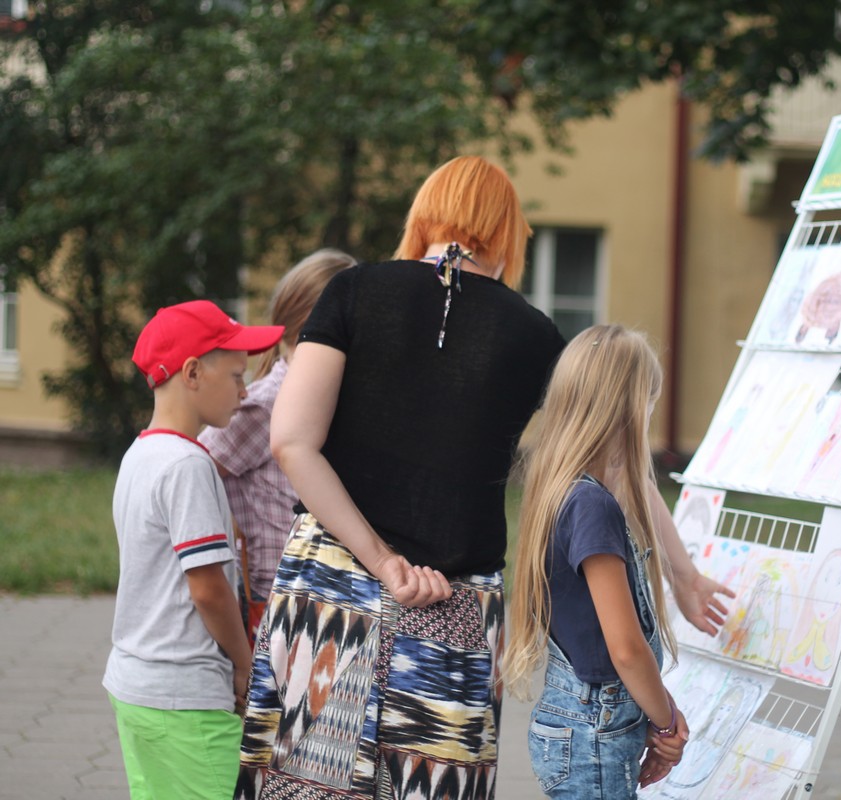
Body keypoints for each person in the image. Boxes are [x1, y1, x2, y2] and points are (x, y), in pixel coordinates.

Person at [236, 155, 732, 800]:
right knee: (435, 787)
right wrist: (682, 573)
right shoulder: (531, 334)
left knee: (303, 785)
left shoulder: (353, 293)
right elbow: (612, 458)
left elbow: (293, 442)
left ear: (424, 219)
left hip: (326, 590)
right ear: (506, 236)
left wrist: (382, 560)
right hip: (456, 605)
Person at [104, 300, 284, 800]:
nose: (245, 390)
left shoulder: (140, 453)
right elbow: (207, 589)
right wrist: (245, 663)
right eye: (235, 375)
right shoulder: (188, 464)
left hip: (137, 685)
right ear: (192, 372)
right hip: (184, 696)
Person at [504, 325, 689, 798]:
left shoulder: (563, 489)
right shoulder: (594, 507)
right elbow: (625, 648)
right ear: (629, 407)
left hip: (580, 724)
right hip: (594, 731)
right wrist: (667, 722)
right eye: (648, 402)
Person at [198, 248, 357, 641]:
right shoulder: (268, 402)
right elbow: (193, 469)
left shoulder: (327, 397)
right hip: (273, 599)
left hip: (319, 592)